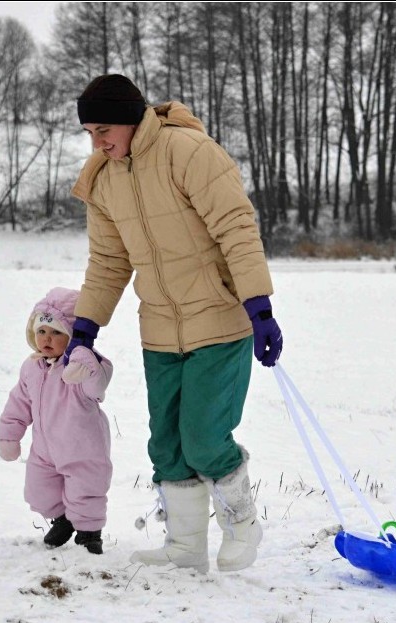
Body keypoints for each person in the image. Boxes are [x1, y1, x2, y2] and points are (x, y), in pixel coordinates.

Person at [65, 73, 284, 573]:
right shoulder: (102, 177)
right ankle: (185, 546)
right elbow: (108, 261)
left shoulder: (188, 152)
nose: (97, 144)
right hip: (160, 328)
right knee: (166, 444)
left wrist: (259, 307)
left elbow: (235, 227)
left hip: (219, 319)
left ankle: (243, 524)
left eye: (103, 131)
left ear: (128, 120)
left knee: (204, 437)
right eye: (90, 134)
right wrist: (85, 330)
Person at [0, 287, 114, 555]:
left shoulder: (81, 367)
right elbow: (18, 403)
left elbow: (97, 387)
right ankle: (63, 520)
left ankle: (88, 534)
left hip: (82, 448)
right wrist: (9, 435)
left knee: (85, 491)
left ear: (72, 336)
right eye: (41, 331)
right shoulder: (31, 368)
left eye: (57, 332)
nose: (47, 338)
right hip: (44, 450)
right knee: (38, 492)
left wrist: (86, 363)